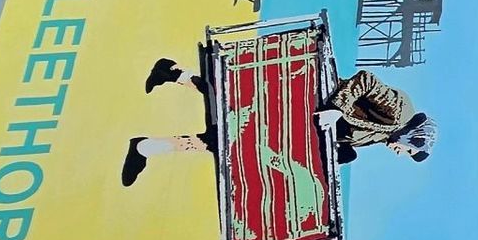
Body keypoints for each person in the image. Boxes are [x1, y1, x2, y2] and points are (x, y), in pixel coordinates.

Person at [123, 59, 434, 185]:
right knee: (233, 105)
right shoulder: (399, 112)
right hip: (313, 96)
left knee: (229, 134)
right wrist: (338, 109)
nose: (401, 155)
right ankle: (147, 144)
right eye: (408, 152)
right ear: (412, 139)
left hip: (308, 121)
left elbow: (347, 140)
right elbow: (365, 80)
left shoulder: (383, 137)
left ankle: (150, 138)